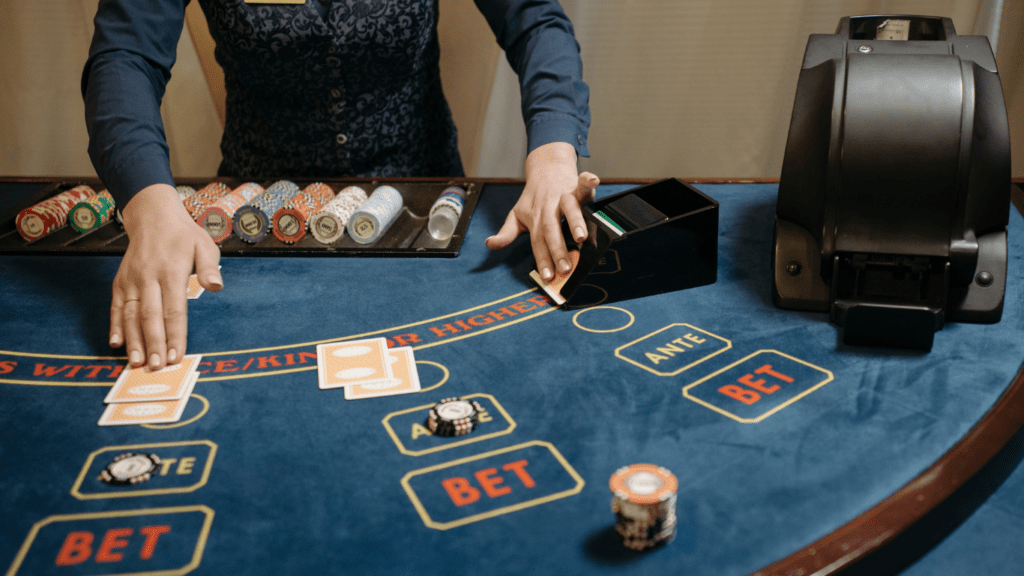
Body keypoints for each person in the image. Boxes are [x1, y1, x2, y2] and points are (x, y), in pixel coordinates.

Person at [83, 0, 598, 371]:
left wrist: (554, 154)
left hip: (423, 217)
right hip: (260, 228)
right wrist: (147, 206)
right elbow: (124, 57)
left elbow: (534, 18)